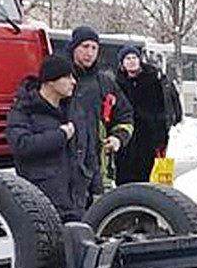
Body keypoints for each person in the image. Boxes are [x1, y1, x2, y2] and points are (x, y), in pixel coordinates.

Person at [6, 54, 83, 220]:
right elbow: (21, 145)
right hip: (42, 205)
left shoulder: (72, 109)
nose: (74, 82)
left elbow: (86, 151)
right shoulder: (24, 110)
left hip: (76, 203)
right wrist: (61, 135)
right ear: (50, 81)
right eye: (68, 77)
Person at [66, 25, 134, 197]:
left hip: (98, 166)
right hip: (65, 166)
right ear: (74, 47)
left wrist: (118, 138)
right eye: (85, 47)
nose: (90, 53)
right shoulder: (60, 78)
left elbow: (125, 115)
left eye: (94, 48)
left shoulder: (105, 83)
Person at [114, 44, 169, 183]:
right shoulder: (117, 83)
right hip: (127, 137)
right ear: (122, 63)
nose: (131, 61)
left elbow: (162, 109)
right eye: (127, 58)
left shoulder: (153, 79)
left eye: (134, 57)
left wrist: (161, 138)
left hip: (148, 135)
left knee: (145, 174)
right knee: (124, 175)